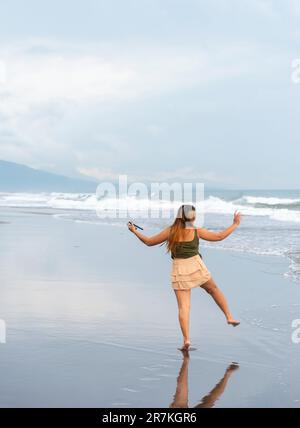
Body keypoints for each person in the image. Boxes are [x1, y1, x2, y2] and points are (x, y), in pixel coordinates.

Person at [128, 204, 242, 351]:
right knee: (213, 290)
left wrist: (134, 231)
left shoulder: (171, 231)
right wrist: (235, 224)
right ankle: (229, 317)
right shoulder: (195, 230)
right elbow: (219, 237)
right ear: (192, 217)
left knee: (184, 307)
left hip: (179, 268)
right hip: (196, 266)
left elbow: (149, 242)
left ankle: (187, 339)